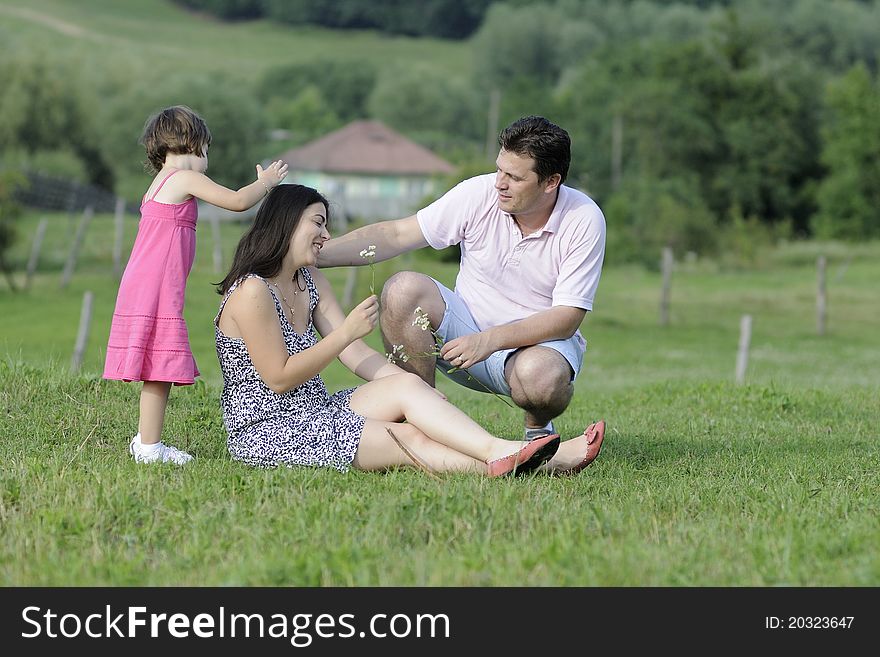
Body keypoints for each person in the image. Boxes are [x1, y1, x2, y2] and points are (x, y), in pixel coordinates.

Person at [317, 115, 606, 475]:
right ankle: (418, 424)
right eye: (500, 170)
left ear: (551, 182)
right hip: (463, 331)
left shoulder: (583, 218)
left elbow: (567, 317)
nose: (500, 183)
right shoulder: (478, 193)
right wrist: (317, 255)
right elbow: (396, 235)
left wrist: (490, 340)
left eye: (515, 177)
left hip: (533, 348)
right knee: (404, 288)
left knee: (541, 379)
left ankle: (537, 431)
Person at [213, 184, 564, 476]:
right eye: (317, 223)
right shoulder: (252, 291)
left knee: (408, 387)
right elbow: (279, 378)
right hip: (267, 429)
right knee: (410, 437)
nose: (326, 235)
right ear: (285, 224)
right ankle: (520, 461)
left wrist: (412, 390)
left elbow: (356, 355)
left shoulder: (309, 280)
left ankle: (508, 454)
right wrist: (345, 332)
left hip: (315, 410)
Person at [103, 105, 288, 465]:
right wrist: (266, 182)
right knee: (159, 368)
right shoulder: (182, 177)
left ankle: (146, 441)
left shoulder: (158, 181)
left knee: (157, 368)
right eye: (206, 149)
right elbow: (236, 201)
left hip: (143, 281)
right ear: (193, 145)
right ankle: (149, 448)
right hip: (156, 285)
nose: (207, 158)